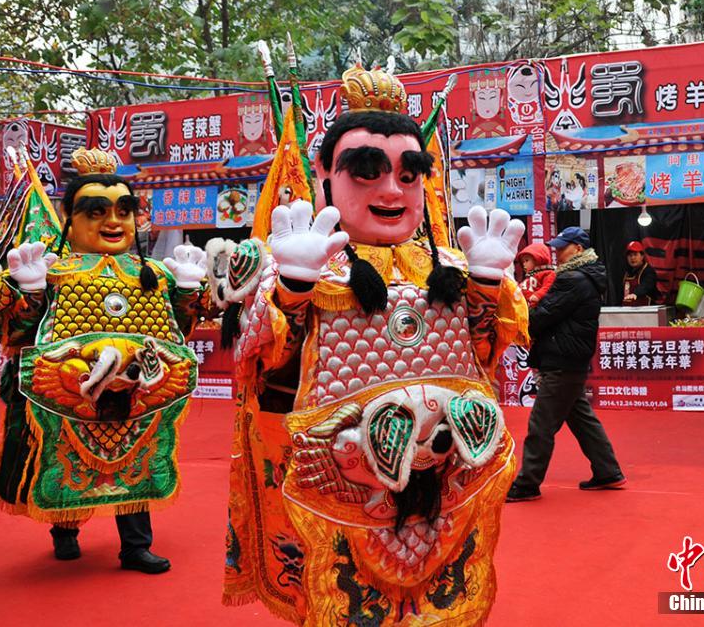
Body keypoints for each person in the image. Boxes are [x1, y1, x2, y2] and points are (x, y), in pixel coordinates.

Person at [222, 64, 528, 625]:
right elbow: (263, 369)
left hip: (442, 474)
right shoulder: (300, 261)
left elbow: (484, 355)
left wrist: (486, 285)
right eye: (367, 172)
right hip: (341, 479)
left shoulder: (452, 264)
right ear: (324, 174)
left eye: (408, 175)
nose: (391, 190)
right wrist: (292, 289)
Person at [0, 147, 208, 573]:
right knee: (66, 460)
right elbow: (16, 336)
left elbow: (179, 332)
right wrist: (29, 293)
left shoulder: (153, 272)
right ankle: (65, 529)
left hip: (139, 392)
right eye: (96, 211)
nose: (113, 222)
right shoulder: (52, 269)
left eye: (124, 211)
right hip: (71, 394)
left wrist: (186, 290)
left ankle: (135, 546)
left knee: (139, 460)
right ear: (69, 218)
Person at [507, 226, 624, 502]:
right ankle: (608, 471)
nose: (557, 252)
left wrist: (518, 321)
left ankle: (527, 483)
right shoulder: (585, 276)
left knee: (541, 424)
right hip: (570, 358)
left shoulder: (572, 278)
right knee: (582, 420)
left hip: (561, 359)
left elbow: (543, 315)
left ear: (578, 249)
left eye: (563, 247)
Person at [517, 242, 556, 308]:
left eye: (526, 260)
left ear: (538, 259)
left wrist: (538, 295)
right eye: (523, 262)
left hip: (536, 307)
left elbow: (548, 286)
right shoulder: (529, 277)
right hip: (523, 306)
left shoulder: (548, 273)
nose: (524, 264)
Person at [623, 240, 660, 306]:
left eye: (635, 255)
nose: (632, 258)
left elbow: (646, 285)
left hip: (646, 309)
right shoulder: (627, 272)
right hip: (627, 309)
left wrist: (635, 294)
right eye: (630, 255)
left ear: (642, 256)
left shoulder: (649, 271)